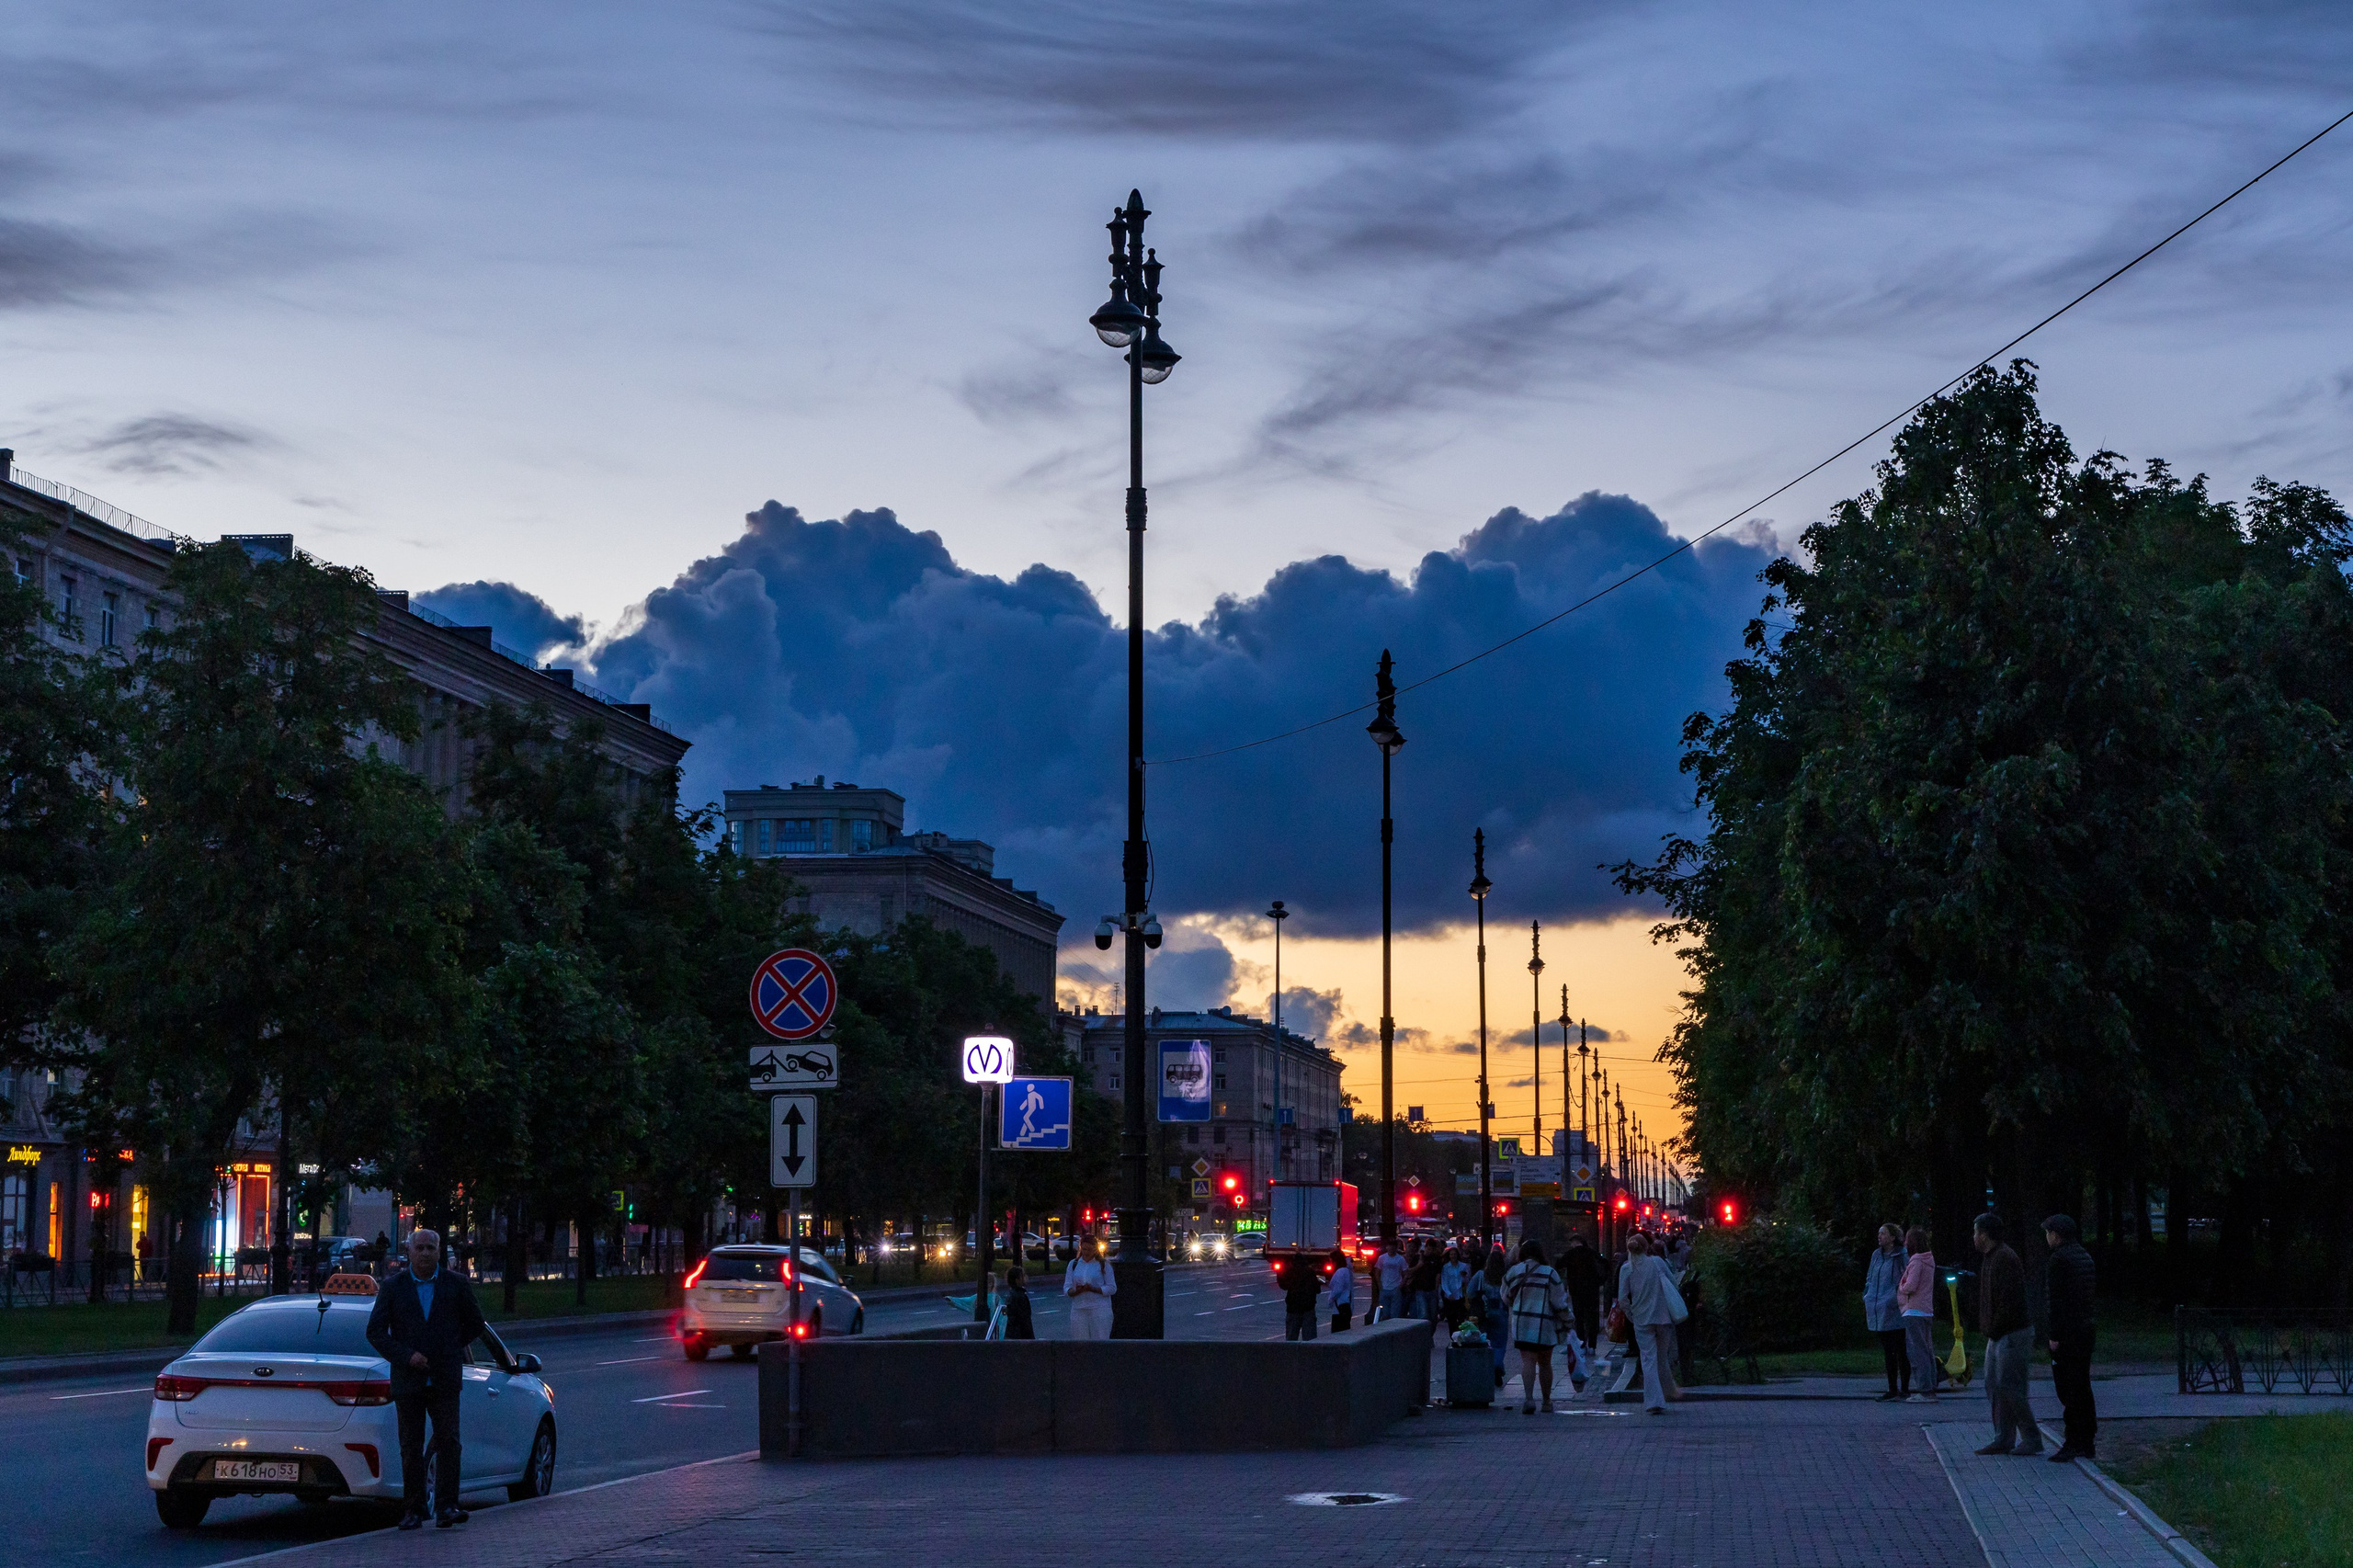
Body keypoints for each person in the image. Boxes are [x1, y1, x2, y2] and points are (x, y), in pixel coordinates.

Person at [364, 1228, 486, 1530]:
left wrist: (451, 1348)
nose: (425, 1253)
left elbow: (474, 1323)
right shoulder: (394, 1287)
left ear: (439, 1251)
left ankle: (447, 1506)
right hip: (409, 1379)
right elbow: (375, 1332)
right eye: (419, 1248)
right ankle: (414, 1509)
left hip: (444, 1377)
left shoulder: (455, 1284)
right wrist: (406, 1356)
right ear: (409, 1251)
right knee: (411, 1446)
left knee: (449, 1442)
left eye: (431, 1247)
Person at [1970, 1213, 2040, 1454]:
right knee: (1995, 1384)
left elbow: (2007, 1303)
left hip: (2011, 1333)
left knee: (2010, 1386)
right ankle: (2003, 1437)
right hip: (1999, 1333)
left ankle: (2030, 1438)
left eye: (1976, 1232)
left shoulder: (2004, 1259)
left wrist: (1994, 1328)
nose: (1974, 1237)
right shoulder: (1992, 1257)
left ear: (1985, 1234)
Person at [2043, 1213, 2098, 1460]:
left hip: (2068, 1334)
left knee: (2068, 1389)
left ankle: (2073, 1440)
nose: (2046, 1237)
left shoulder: (2059, 1259)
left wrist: (2054, 1335)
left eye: (2048, 1232)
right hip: (2085, 1330)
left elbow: (2057, 1301)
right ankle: (2087, 1440)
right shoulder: (2084, 1257)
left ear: (2056, 1234)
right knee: (2082, 1385)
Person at [1617, 1233, 1684, 1415]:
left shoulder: (1627, 1268)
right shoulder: (1658, 1262)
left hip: (1642, 1319)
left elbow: (1622, 1298)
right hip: (1663, 1318)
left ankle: (1654, 1401)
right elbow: (1673, 1283)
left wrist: (1631, 1315)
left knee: (1648, 1359)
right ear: (1647, 1247)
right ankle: (1668, 1391)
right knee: (1661, 1357)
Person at [1502, 1239, 1571, 1415]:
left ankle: (1529, 1398)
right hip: (1544, 1325)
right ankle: (1547, 1401)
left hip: (1522, 1324)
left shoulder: (1514, 1272)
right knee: (1545, 1364)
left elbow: (1505, 1297)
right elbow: (1559, 1302)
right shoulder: (1550, 1273)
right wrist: (1569, 1320)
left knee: (1528, 1362)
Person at [1864, 1223, 1910, 1402]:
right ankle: (1892, 1389)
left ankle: (1904, 1389)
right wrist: (1867, 1295)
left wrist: (1895, 1297)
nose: (1879, 1236)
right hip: (1878, 1307)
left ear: (1892, 1237)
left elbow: (1907, 1277)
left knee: (1901, 1350)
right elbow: (1870, 1277)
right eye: (1879, 1233)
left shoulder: (1901, 1256)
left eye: (1883, 1233)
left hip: (1895, 1309)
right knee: (1888, 1351)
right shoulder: (1876, 1255)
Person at [1897, 1225, 1939, 1403]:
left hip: (1913, 1309)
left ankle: (1924, 1390)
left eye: (1907, 1239)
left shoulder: (1915, 1261)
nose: (1905, 1243)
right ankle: (1931, 1386)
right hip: (1926, 1310)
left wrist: (1901, 1287)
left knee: (1916, 1351)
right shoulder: (1929, 1259)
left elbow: (1911, 1285)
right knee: (1927, 1349)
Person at [1063, 1239, 1116, 1340]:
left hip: (1099, 1309)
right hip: (1079, 1309)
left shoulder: (1104, 1265)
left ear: (1095, 1250)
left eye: (1089, 1250)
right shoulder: (1073, 1264)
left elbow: (1112, 1288)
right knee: (1080, 1343)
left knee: (1100, 1341)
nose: (1086, 1252)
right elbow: (1067, 1286)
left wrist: (1094, 1289)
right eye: (1084, 1249)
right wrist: (1076, 1291)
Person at [1560, 1233, 1604, 1352]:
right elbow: (1605, 1265)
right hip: (1592, 1290)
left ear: (1574, 1243)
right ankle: (1592, 1345)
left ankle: (1582, 1343)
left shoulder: (1570, 1254)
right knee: (1592, 1317)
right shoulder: (1591, 1253)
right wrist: (1599, 1282)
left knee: (1579, 1318)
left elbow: (1558, 1265)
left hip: (1576, 1291)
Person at [1282, 1256, 1323, 1341]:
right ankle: (1308, 1353)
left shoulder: (1290, 1272)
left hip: (1293, 1307)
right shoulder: (1310, 1272)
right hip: (1308, 1308)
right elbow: (1317, 1289)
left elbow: (1283, 1285)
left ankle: (1290, 1353)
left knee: (1291, 1337)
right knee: (1309, 1338)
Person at [1373, 1241, 1408, 1323]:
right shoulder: (1382, 1258)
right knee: (1384, 1313)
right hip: (1384, 1287)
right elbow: (1377, 1272)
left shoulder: (1400, 1259)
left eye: (1393, 1246)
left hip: (1396, 1288)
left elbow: (1406, 1274)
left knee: (1395, 1314)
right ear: (1387, 1247)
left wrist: (1400, 1286)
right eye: (1390, 1246)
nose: (1391, 1248)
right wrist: (1380, 1285)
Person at [1438, 1246, 1471, 1329]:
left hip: (1460, 1295)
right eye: (1451, 1254)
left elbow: (1467, 1281)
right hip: (1450, 1297)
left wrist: (1464, 1276)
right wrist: (1449, 1294)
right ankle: (1453, 1338)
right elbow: (1444, 1282)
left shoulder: (1463, 1266)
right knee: (1451, 1320)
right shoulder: (1446, 1267)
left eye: (1455, 1254)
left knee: (1460, 1319)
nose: (1453, 1256)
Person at [999, 1267, 1035, 1340]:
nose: (1026, 1277)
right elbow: (1025, 1319)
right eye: (1023, 1275)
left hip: (1012, 1334)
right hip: (1020, 1335)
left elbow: (1005, 1313)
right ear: (1017, 1280)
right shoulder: (1021, 1297)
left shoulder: (1011, 1295)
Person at [1326, 1248, 1355, 1333]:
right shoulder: (1346, 1271)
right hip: (1345, 1305)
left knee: (1337, 1331)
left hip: (1340, 1306)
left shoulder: (1340, 1271)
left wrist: (1331, 1299)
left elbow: (1338, 1289)